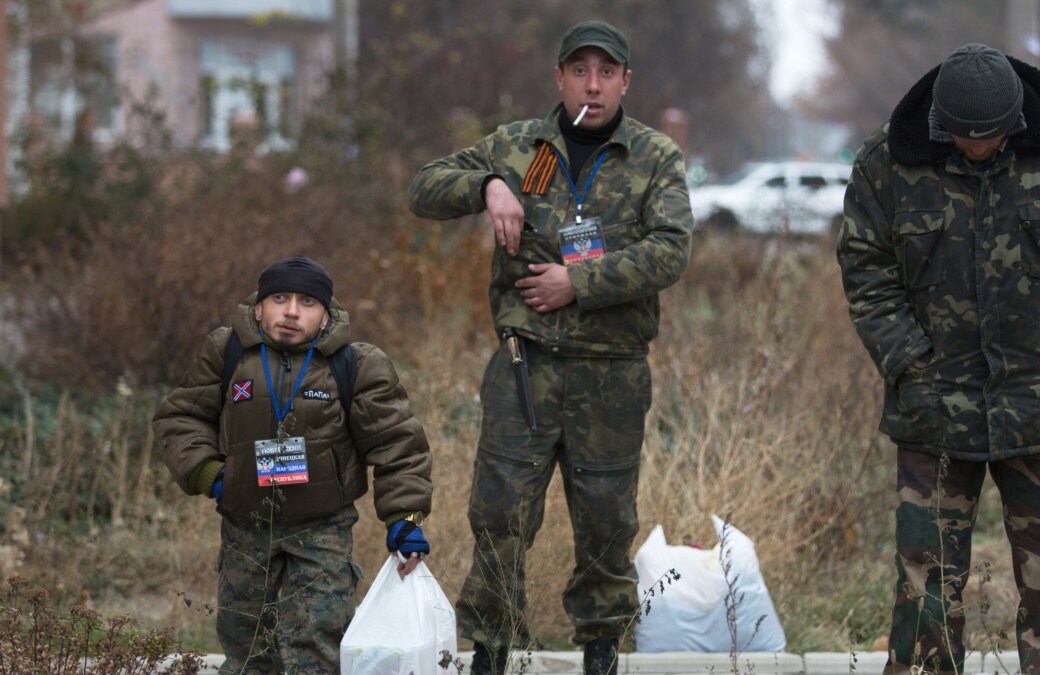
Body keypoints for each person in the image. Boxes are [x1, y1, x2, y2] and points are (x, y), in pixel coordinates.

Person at [837, 43, 1040, 675]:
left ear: (1016, 121)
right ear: (941, 123)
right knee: (923, 591)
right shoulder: (886, 163)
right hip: (932, 407)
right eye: (963, 138)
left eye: (991, 137)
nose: (977, 148)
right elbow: (867, 269)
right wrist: (909, 363)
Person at [408, 19, 692, 675]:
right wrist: (488, 185)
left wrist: (578, 282)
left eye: (606, 73)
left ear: (625, 81)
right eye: (579, 71)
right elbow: (424, 186)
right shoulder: (519, 146)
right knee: (500, 516)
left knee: (605, 521)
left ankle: (599, 648)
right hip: (523, 367)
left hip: (611, 374)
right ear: (559, 77)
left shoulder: (654, 156)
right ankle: (493, 646)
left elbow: (670, 251)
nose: (592, 85)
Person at [154, 255, 433, 674]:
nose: (290, 311)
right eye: (279, 298)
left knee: (317, 644)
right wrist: (209, 474)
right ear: (259, 307)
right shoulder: (227, 350)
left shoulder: (357, 364)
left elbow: (397, 444)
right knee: (247, 646)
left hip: (323, 530)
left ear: (325, 314)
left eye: (306, 302)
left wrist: (404, 518)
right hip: (245, 526)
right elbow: (181, 419)